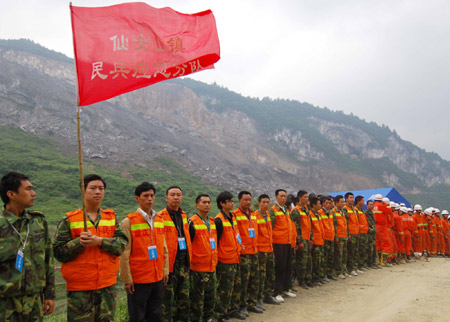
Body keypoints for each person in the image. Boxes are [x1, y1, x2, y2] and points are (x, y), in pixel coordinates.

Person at [53, 174, 128, 321]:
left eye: (101, 188)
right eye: (93, 188)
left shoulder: (111, 218)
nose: (98, 192)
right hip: (80, 289)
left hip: (107, 285)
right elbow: (58, 252)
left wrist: (100, 241)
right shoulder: (69, 220)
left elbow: (122, 245)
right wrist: (77, 243)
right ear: (83, 191)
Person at [0, 171, 55, 321]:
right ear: (11, 194)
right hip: (5, 302)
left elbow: (48, 260)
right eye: (28, 189)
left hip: (34, 301)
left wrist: (49, 294)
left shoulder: (37, 221)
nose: (34, 193)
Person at [119, 182, 169, 322]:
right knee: (138, 316)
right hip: (139, 279)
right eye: (145, 196)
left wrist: (165, 270)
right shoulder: (128, 222)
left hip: (157, 277)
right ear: (137, 198)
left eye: (152, 195)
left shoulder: (159, 220)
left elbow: (164, 248)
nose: (149, 199)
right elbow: (124, 253)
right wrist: (127, 279)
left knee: (156, 314)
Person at [159, 186, 192, 322]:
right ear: (166, 197)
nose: (176, 197)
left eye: (178, 195)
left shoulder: (183, 215)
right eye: (172, 195)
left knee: (183, 298)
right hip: (169, 265)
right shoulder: (160, 217)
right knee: (166, 301)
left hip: (183, 262)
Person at [188, 194, 218, 322]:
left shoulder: (211, 222)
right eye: (204, 202)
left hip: (211, 266)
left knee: (210, 297)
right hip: (197, 268)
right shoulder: (192, 222)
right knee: (197, 300)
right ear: (197, 205)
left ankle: (208, 318)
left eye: (209, 202)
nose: (207, 205)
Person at [232, 191, 262, 316]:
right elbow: (236, 233)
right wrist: (240, 247)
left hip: (254, 251)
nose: (248, 202)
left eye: (250, 199)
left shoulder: (254, 214)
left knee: (254, 279)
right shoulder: (235, 215)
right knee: (243, 281)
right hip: (244, 253)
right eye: (245, 200)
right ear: (239, 201)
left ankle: (252, 303)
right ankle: (242, 306)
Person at [214, 191, 241, 322]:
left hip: (234, 256)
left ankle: (231, 310)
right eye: (229, 201)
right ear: (222, 203)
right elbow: (216, 241)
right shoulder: (218, 220)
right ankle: (221, 314)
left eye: (232, 201)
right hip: (224, 260)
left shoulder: (232, 217)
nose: (232, 203)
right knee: (224, 288)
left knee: (233, 286)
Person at [269, 189, 295, 303]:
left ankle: (285, 288)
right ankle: (277, 291)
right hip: (278, 242)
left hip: (288, 242)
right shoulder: (273, 211)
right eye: (281, 196)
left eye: (285, 196)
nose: (283, 198)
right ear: (276, 197)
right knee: (280, 267)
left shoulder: (286, 210)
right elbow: (271, 228)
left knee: (288, 266)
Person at [254, 194, 280, 308]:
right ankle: (258, 298)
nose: (265, 204)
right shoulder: (254, 216)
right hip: (260, 250)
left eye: (267, 202)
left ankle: (268, 295)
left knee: (270, 273)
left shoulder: (268, 215)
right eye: (263, 202)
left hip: (269, 248)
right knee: (261, 275)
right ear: (259, 203)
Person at [290, 190, 312, 288]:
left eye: (307, 197)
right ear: (300, 198)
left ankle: (307, 279)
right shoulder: (296, 211)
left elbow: (309, 225)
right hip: (302, 239)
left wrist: (311, 238)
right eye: (305, 197)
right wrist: (299, 241)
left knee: (307, 260)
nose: (306, 199)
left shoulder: (306, 209)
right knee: (301, 261)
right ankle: (301, 280)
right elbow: (296, 227)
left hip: (307, 238)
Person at [318, 196, 336, 281]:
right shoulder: (320, 213)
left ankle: (329, 274)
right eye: (326, 203)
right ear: (322, 204)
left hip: (331, 237)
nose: (328, 205)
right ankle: (323, 275)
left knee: (330, 257)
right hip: (324, 238)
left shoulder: (331, 213)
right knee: (323, 258)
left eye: (329, 203)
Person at [343, 192, 360, 276]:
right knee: (350, 252)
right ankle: (350, 268)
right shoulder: (345, 209)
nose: (352, 199)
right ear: (346, 199)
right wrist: (348, 233)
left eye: (352, 198)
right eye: (350, 198)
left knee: (355, 251)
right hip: (351, 233)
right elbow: (345, 223)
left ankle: (355, 267)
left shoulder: (353, 209)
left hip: (356, 232)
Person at [309, 196, 325, 285]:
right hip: (315, 242)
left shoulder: (319, 214)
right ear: (314, 205)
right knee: (315, 261)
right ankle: (314, 279)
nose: (320, 205)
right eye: (319, 204)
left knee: (320, 260)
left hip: (321, 240)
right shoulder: (310, 214)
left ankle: (319, 277)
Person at [331, 195, 348, 279]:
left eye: (343, 202)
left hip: (344, 236)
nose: (343, 204)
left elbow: (345, 224)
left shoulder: (342, 212)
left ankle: (343, 270)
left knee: (344, 254)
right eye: (341, 202)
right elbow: (333, 226)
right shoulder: (333, 212)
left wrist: (347, 234)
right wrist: (336, 237)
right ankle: (338, 271)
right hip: (338, 236)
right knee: (338, 255)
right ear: (336, 202)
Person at [355, 196, 369, 271]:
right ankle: (359, 265)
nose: (364, 202)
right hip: (360, 233)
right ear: (358, 201)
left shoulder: (362, 210)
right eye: (363, 200)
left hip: (365, 232)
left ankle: (363, 264)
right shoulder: (356, 210)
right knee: (359, 250)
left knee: (364, 249)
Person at [365, 200, 379, 268]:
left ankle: (374, 263)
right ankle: (369, 263)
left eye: (372, 204)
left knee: (374, 249)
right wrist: (370, 229)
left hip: (373, 234)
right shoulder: (365, 213)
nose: (371, 206)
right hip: (369, 234)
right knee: (369, 249)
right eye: (370, 204)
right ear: (367, 205)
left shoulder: (372, 213)